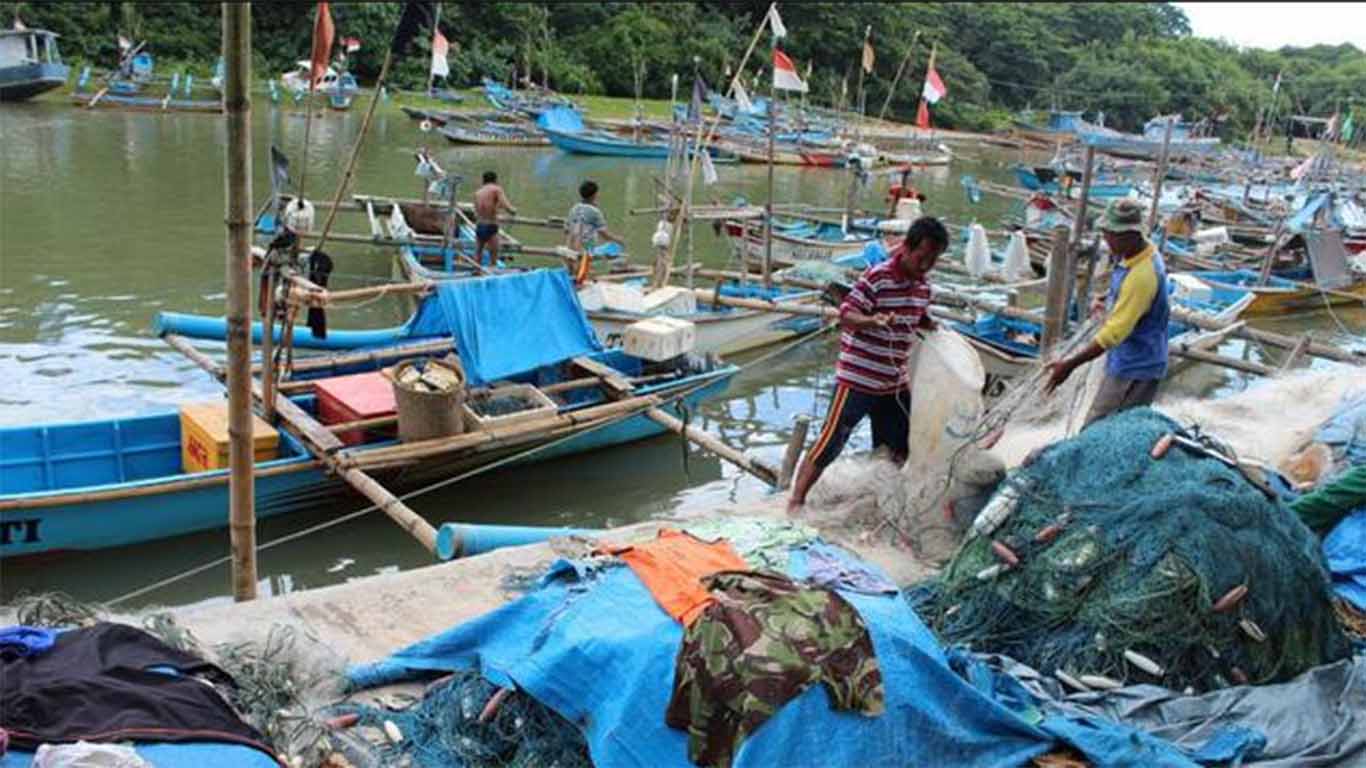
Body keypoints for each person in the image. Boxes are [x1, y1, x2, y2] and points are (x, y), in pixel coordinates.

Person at [787, 217, 949, 514]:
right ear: (907, 248)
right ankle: (796, 501)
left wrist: (930, 323)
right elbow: (847, 315)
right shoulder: (877, 276)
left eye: (933, 260)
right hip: (858, 379)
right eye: (922, 257)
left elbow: (918, 316)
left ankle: (879, 498)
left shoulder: (924, 287)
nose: (925, 265)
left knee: (898, 448)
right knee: (830, 443)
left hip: (894, 382)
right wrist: (872, 320)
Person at [1044, 198, 1171, 427]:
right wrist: (1106, 298)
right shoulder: (1136, 253)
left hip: (1136, 368)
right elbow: (1128, 295)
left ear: (1131, 235)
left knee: (1099, 429)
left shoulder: (1142, 275)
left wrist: (1069, 365)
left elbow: (1113, 334)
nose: (1106, 239)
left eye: (1111, 234)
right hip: (1127, 357)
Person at [565, 180, 624, 283]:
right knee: (584, 275)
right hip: (586, 248)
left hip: (572, 246)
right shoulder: (595, 212)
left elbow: (567, 229)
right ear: (595, 195)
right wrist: (618, 240)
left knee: (575, 273)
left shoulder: (574, 208)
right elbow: (603, 233)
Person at [473, 171, 517, 267]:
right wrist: (512, 210)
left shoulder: (478, 192)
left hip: (479, 225)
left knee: (478, 252)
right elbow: (505, 204)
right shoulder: (496, 189)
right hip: (491, 225)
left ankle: (476, 271)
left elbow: (476, 210)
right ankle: (492, 271)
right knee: (493, 255)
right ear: (495, 180)